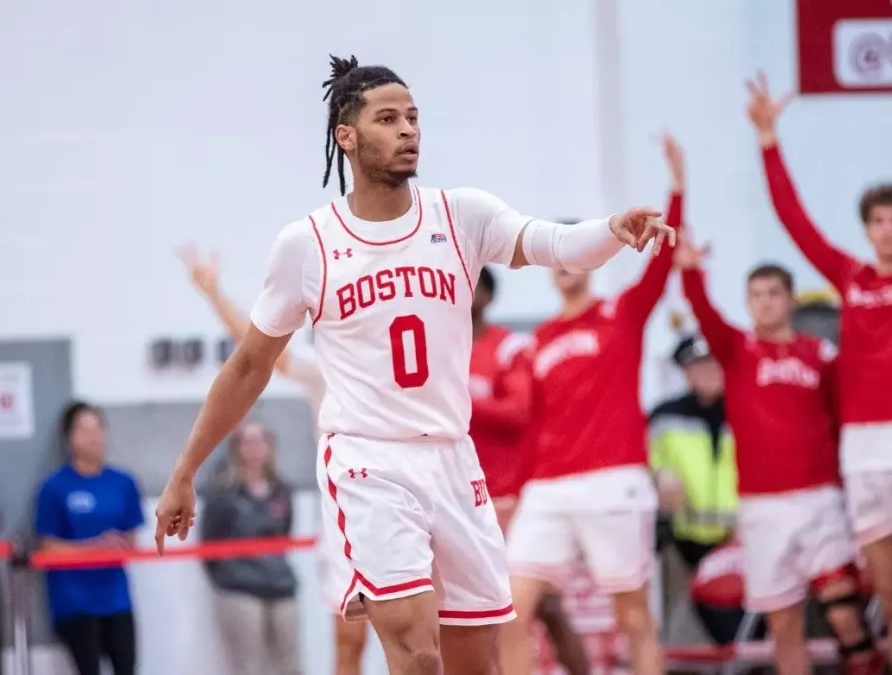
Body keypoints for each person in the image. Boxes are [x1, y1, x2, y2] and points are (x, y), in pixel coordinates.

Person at [153, 55, 674, 675]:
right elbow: (248, 367)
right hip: (369, 461)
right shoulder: (309, 244)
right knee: (416, 652)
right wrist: (186, 469)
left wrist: (613, 229)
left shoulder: (461, 214)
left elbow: (555, 245)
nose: (408, 131)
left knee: (474, 662)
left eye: (414, 118)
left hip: (454, 460)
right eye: (389, 118)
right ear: (346, 136)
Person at [746, 53, 892, 675]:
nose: (885, 231)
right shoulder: (848, 277)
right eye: (877, 221)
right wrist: (768, 140)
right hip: (862, 450)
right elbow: (796, 225)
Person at [500, 134, 685, 675]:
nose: (566, 265)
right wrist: (517, 486)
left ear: (589, 261)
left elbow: (662, 260)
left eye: (574, 254)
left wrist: (677, 189)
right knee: (511, 612)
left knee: (633, 619)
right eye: (557, 256)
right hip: (549, 488)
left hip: (613, 481)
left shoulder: (622, 314)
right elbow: (533, 425)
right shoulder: (539, 341)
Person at [676, 239, 880, 675]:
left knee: (845, 614)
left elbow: (844, 422)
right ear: (748, 303)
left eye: (774, 293)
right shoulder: (735, 351)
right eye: (756, 294)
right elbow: (704, 312)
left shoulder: (821, 356)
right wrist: (691, 271)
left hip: (819, 500)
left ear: (790, 300)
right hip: (762, 508)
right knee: (784, 625)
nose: (765, 302)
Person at [179, 245, 367, 675]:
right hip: (349, 519)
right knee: (349, 639)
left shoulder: (396, 361)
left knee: (424, 635)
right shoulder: (323, 372)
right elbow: (257, 349)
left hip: (409, 505)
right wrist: (213, 294)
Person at [468, 265, 591, 675]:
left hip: (512, 497)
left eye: (469, 286)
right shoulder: (436, 352)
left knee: (544, 607)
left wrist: (459, 402)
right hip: (460, 501)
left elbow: (518, 412)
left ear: (487, 295)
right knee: (465, 614)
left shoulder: (510, 347)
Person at [35, 402, 144, 675]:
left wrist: (118, 545)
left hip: (116, 598)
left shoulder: (123, 482)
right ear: (69, 437)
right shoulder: (54, 487)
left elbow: (132, 538)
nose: (93, 437)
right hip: (74, 601)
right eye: (84, 430)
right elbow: (47, 548)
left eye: (98, 428)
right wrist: (94, 547)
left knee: (127, 667)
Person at [648, 334, 741, 645]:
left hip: (739, 542)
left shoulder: (748, 411)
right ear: (685, 373)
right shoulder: (663, 416)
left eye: (714, 364)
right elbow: (642, 462)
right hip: (679, 542)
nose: (708, 372)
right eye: (698, 366)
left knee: (744, 629)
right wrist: (659, 478)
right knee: (678, 628)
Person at [200, 421, 303, 675]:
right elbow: (208, 541)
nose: (255, 448)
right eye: (248, 441)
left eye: (260, 441)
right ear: (237, 449)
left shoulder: (282, 489)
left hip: (279, 585)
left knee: (292, 664)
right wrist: (227, 578)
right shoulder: (224, 493)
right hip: (239, 588)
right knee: (249, 666)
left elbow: (284, 535)